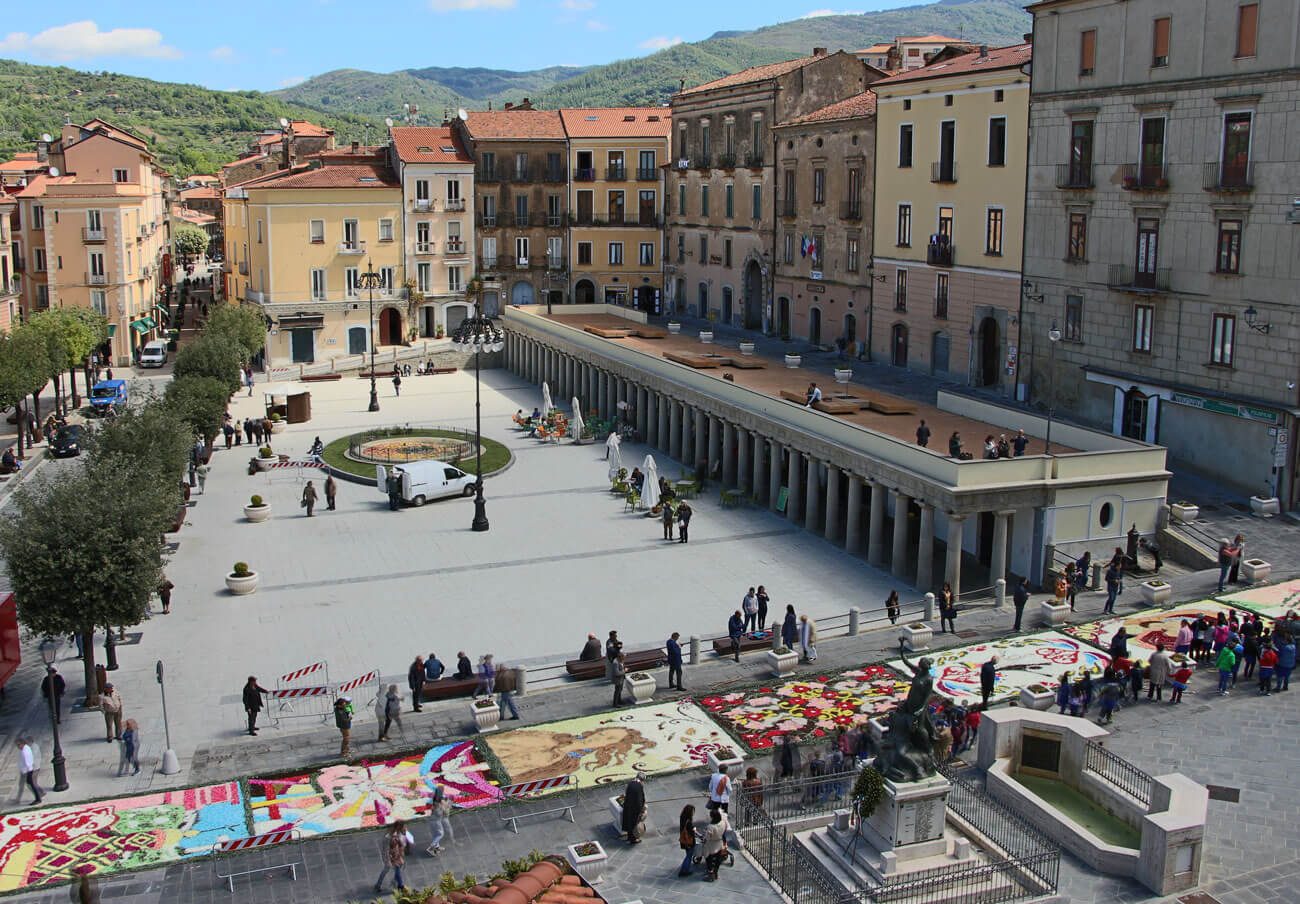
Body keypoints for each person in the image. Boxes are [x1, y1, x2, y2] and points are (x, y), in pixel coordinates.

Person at [374, 821, 412, 893]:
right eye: (403, 828)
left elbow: (402, 844)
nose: (405, 829)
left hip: (396, 854)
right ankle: (380, 885)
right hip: (390, 856)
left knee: (399, 867)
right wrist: (388, 860)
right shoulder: (388, 836)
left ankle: (397, 884)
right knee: (387, 869)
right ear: (399, 827)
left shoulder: (399, 834)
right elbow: (386, 849)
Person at [700, 807, 729, 881]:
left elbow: (707, 837)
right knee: (718, 858)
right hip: (719, 843)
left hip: (711, 845)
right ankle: (716, 871)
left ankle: (710, 873)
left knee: (708, 858)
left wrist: (703, 838)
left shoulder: (711, 827)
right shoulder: (723, 822)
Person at [426, 785, 453, 855]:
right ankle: (432, 846)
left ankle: (437, 847)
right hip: (436, 821)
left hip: (432, 821)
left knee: (436, 834)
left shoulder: (434, 800)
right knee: (441, 834)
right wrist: (447, 805)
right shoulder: (438, 804)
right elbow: (443, 813)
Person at [621, 773, 647, 844]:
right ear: (642, 780)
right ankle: (633, 839)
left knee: (629, 822)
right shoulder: (639, 786)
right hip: (635, 808)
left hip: (628, 806)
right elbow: (640, 800)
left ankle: (629, 837)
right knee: (634, 824)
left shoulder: (631, 783)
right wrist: (642, 809)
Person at [17, 736, 41, 805]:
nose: (18, 747)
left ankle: (38, 798)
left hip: (29, 770)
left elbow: (27, 762)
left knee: (32, 784)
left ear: (22, 743)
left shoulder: (25, 751)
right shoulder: (26, 748)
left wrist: (26, 771)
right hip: (29, 770)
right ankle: (39, 795)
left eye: (19, 745)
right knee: (30, 783)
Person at [678, 804, 698, 877]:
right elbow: (691, 832)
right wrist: (694, 830)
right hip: (689, 841)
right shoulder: (688, 822)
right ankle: (684, 870)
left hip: (683, 840)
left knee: (688, 855)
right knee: (689, 856)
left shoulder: (682, 818)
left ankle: (684, 869)